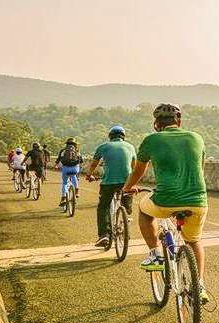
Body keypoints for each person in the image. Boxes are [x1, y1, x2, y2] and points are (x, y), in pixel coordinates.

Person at [122, 103, 210, 303]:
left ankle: (156, 254)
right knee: (194, 241)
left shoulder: (151, 140)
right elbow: (200, 169)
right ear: (179, 121)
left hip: (165, 200)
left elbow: (138, 171)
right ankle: (199, 286)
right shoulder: (197, 138)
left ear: (156, 124)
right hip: (198, 201)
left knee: (144, 210)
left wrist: (128, 187)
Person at [85, 125, 136, 248]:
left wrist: (89, 175)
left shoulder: (103, 146)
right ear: (123, 136)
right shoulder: (130, 147)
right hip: (126, 183)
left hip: (108, 183)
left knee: (103, 207)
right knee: (127, 207)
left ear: (110, 136)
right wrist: (133, 183)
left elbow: (94, 164)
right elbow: (134, 167)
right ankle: (125, 221)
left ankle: (104, 235)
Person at [55, 138, 84, 206]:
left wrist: (56, 165)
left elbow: (58, 159)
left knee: (65, 183)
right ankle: (76, 191)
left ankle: (63, 198)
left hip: (66, 169)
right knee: (74, 176)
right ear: (75, 144)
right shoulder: (77, 151)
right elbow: (81, 161)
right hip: (75, 169)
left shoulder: (63, 151)